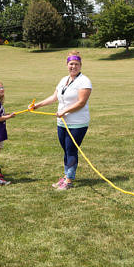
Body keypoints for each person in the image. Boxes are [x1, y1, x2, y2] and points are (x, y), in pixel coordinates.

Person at [31, 51, 92, 190]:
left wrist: (65, 111)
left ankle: (69, 180)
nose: (73, 66)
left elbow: (81, 102)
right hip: (62, 122)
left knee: (71, 150)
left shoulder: (84, 81)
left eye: (76, 64)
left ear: (80, 65)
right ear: (67, 64)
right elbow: (54, 97)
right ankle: (66, 176)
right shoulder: (63, 80)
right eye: (71, 64)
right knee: (66, 150)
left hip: (77, 123)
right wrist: (37, 105)